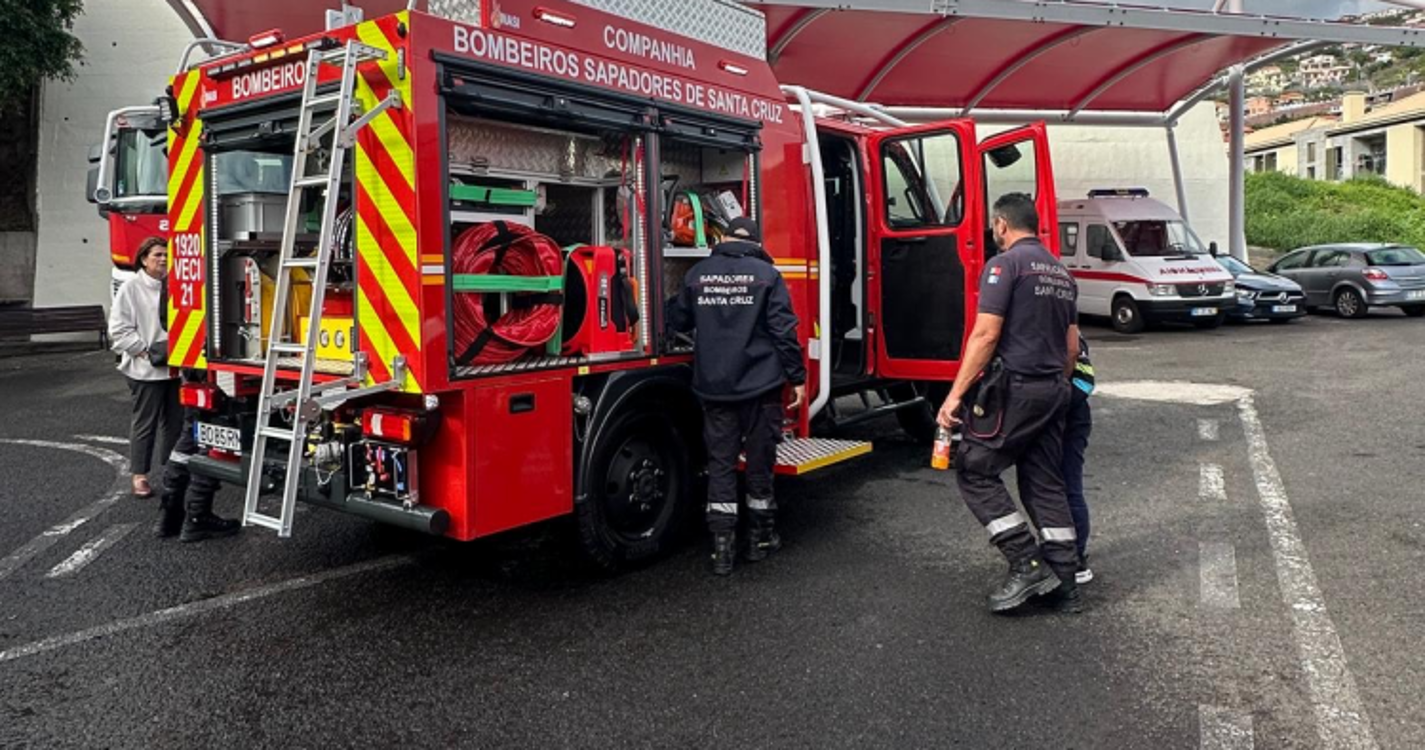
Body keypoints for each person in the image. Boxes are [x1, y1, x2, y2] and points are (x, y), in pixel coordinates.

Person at [938, 193, 1083, 614]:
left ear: (1001, 224)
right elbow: (1071, 346)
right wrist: (1057, 386)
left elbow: (985, 336)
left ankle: (1027, 562)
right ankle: (1065, 579)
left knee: (974, 469)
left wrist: (955, 396)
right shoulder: (1060, 271)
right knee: (1044, 480)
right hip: (1056, 386)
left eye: (992, 226)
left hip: (1017, 387)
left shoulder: (1004, 265)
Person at [667, 216, 806, 576]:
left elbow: (678, 320)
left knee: (720, 464)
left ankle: (722, 549)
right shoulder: (767, 276)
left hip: (715, 387)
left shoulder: (698, 273)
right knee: (760, 462)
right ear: (756, 244)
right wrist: (798, 377)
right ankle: (760, 540)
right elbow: (784, 332)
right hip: (762, 387)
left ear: (724, 238)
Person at [109, 236, 181, 499]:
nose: (163, 259)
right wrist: (145, 352)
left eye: (166, 255)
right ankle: (139, 476)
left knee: (175, 423)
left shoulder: (176, 285)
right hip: (145, 370)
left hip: (176, 368)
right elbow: (118, 329)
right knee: (145, 424)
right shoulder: (131, 287)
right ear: (143, 259)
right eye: (157, 255)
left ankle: (172, 472)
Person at [157, 370, 241, 542]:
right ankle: (196, 517)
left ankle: (169, 515)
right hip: (225, 370)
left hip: (197, 364)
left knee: (192, 436)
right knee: (213, 438)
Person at [1064, 333, 1095, 584]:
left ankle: (1076, 557)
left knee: (1068, 487)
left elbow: (1085, 382)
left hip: (1070, 420)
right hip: (1062, 418)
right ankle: (1062, 551)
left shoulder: (1073, 338)